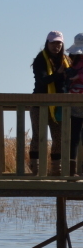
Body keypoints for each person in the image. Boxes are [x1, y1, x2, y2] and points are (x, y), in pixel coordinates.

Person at [30, 31, 70, 175]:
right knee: (38, 136)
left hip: (59, 104)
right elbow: (42, 80)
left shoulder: (66, 60)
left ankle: (56, 170)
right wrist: (59, 73)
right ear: (47, 43)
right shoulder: (41, 59)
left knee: (58, 137)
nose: (56, 46)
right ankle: (36, 170)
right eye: (53, 43)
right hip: (39, 103)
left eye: (59, 43)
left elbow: (66, 84)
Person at [65, 34, 83, 176]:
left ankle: (74, 170)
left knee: (75, 136)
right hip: (74, 102)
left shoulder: (72, 60)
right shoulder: (69, 61)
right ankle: (72, 170)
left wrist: (78, 76)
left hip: (74, 100)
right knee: (75, 137)